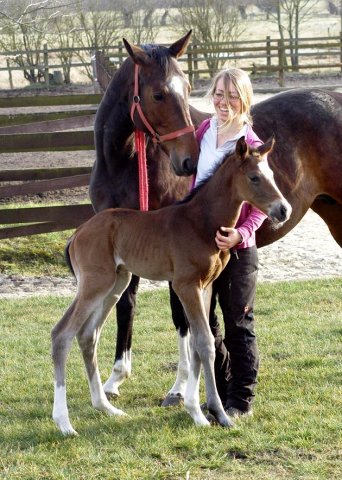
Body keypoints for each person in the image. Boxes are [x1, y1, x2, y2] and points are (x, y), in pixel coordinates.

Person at [195, 67, 267, 420]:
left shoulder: (252, 146)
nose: (224, 102)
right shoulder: (204, 132)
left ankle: (241, 400)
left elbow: (264, 202)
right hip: (202, 249)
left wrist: (242, 233)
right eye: (219, 94)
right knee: (207, 324)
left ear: (245, 99)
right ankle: (221, 395)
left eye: (232, 96)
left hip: (237, 251)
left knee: (238, 323)